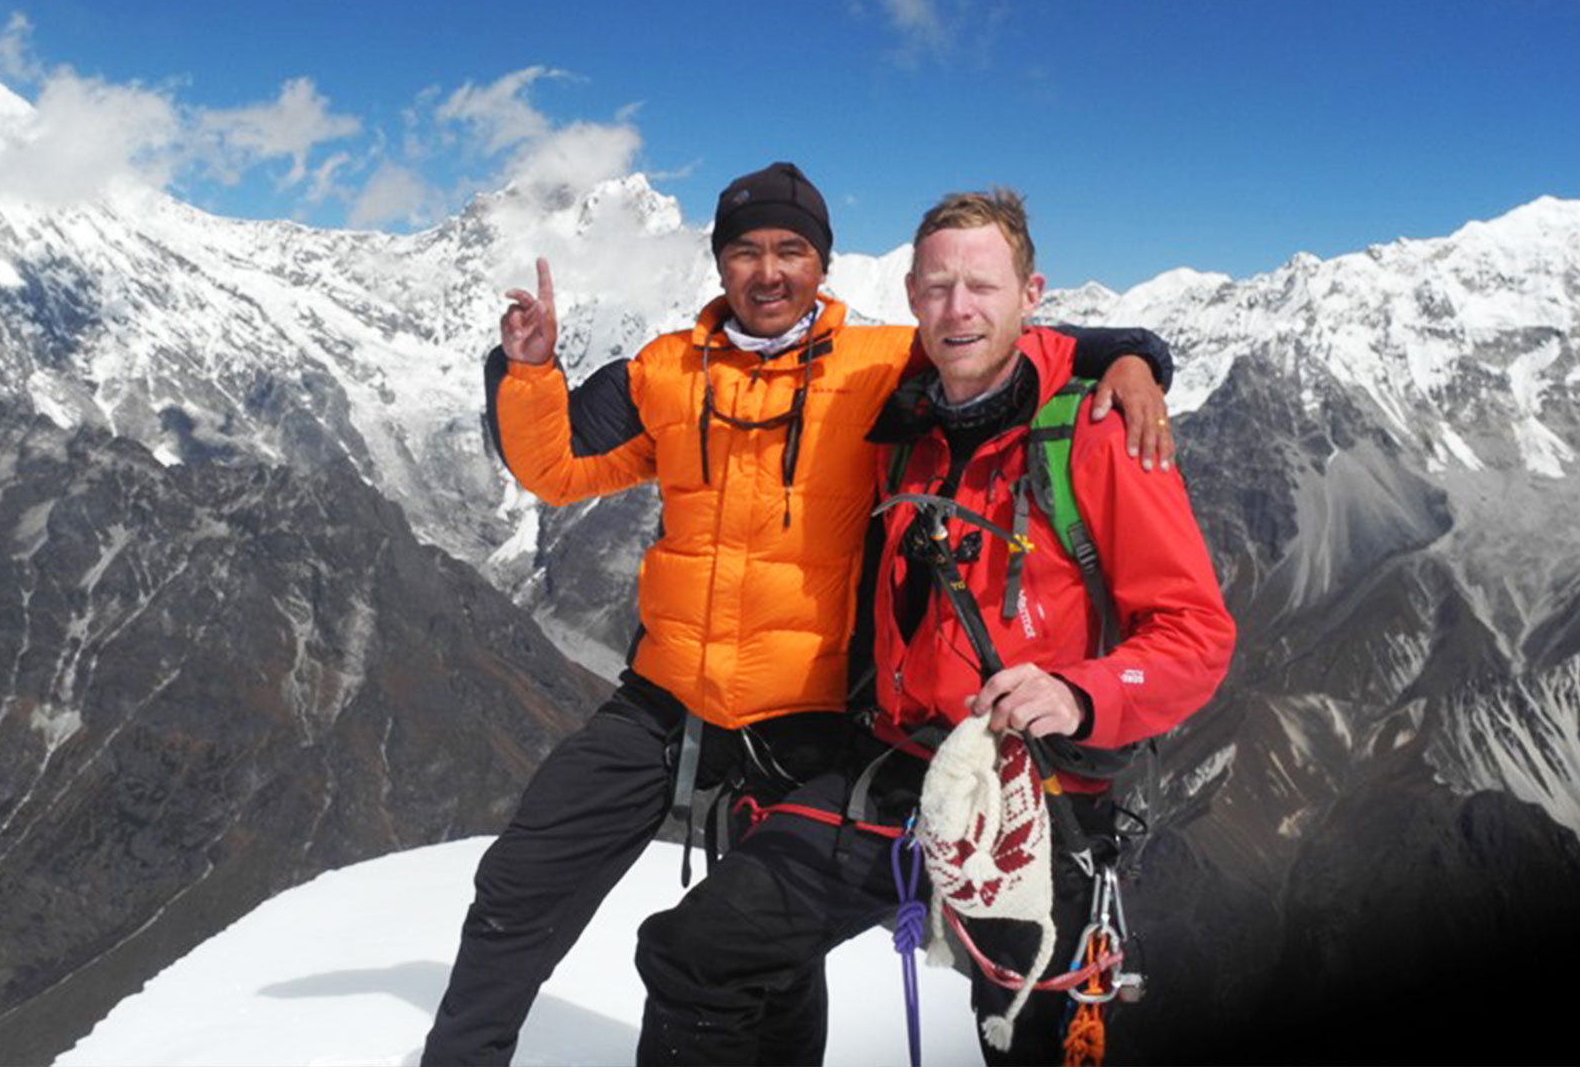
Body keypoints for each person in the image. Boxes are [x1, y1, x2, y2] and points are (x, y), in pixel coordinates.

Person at [422, 164, 1174, 1065]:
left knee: (759, 956)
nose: (769, 271)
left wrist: (1131, 355)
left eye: (791, 250)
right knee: (520, 881)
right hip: (665, 693)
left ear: (823, 264)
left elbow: (999, 342)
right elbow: (555, 469)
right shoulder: (665, 370)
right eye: (746, 251)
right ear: (719, 264)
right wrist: (531, 369)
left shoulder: (883, 363)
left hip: (810, 714)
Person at [633, 188, 1236, 1065]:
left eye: (983, 287)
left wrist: (1078, 692)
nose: (959, 309)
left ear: (1031, 297)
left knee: (1029, 1040)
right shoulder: (904, 417)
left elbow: (1194, 632)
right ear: (911, 296)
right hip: (894, 775)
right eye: (939, 287)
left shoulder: (1096, 436)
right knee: (697, 954)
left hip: (1034, 805)